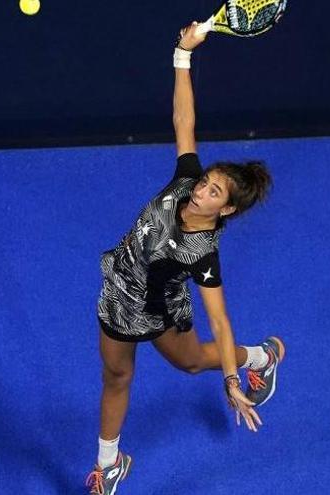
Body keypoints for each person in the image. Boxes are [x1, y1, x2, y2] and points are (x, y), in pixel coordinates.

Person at [84, 21, 286, 495]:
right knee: (116, 375)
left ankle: (261, 357)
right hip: (120, 293)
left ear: (227, 209)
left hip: (159, 310)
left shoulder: (204, 254)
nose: (200, 190)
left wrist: (233, 380)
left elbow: (219, 318)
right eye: (203, 182)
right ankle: (108, 465)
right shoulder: (183, 183)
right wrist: (182, 54)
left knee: (194, 363)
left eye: (213, 191)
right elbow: (184, 121)